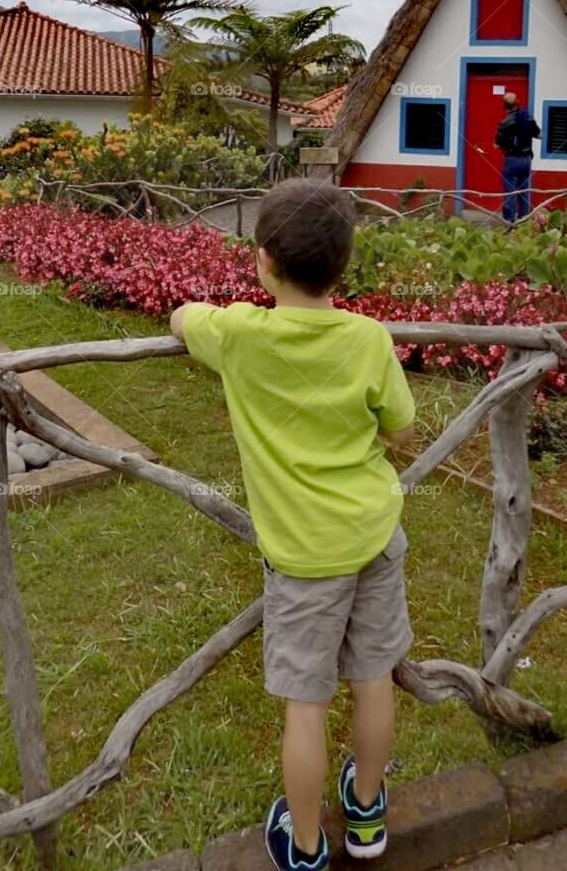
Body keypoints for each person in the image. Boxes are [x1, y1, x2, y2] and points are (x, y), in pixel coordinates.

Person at [170, 178, 415, 871]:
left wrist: (194, 310)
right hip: (372, 534)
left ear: (265, 262)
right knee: (372, 679)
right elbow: (400, 423)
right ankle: (366, 814)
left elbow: (183, 320)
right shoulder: (369, 338)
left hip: (303, 558)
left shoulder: (242, 334)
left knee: (305, 705)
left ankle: (305, 846)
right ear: (342, 265)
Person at [494, 91, 541, 224]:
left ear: (504, 105)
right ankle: (524, 219)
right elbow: (539, 135)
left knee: (509, 191)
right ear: (518, 103)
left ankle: (510, 221)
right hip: (526, 159)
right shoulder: (528, 118)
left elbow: (497, 145)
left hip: (511, 160)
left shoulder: (504, 123)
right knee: (524, 191)